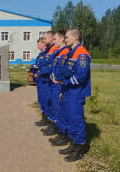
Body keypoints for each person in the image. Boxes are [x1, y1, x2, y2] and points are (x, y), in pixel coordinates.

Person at [53, 28, 91, 162]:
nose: (65, 39)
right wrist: (63, 87)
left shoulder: (81, 54)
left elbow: (80, 77)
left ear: (76, 38)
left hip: (76, 92)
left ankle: (80, 146)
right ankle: (73, 143)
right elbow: (67, 71)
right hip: (69, 91)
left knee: (76, 119)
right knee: (70, 118)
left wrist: (64, 81)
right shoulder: (71, 54)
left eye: (67, 37)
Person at [48, 30, 70, 143]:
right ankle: (60, 131)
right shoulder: (59, 52)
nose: (53, 40)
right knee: (57, 108)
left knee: (60, 109)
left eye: (55, 38)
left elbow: (65, 70)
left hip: (60, 85)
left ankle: (64, 134)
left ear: (62, 39)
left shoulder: (65, 53)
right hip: (55, 83)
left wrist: (59, 79)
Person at [35, 31, 58, 136]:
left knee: (51, 103)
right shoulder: (49, 50)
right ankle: (48, 122)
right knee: (44, 101)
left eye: (45, 38)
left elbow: (49, 66)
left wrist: (40, 70)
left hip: (49, 80)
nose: (44, 40)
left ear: (51, 38)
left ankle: (53, 125)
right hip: (45, 80)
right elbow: (41, 63)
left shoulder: (54, 50)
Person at [28, 37, 46, 117]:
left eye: (38, 44)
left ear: (43, 44)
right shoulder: (40, 55)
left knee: (46, 102)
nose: (37, 46)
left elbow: (45, 67)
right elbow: (36, 65)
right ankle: (44, 118)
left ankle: (48, 121)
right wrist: (32, 70)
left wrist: (37, 72)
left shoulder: (47, 55)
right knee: (41, 101)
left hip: (44, 81)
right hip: (39, 81)